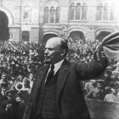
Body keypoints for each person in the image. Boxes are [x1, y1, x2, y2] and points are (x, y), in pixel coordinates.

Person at [23, 37, 108, 119]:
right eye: (45, 49)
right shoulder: (41, 71)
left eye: (50, 49)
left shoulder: (73, 68)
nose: (45, 52)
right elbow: (31, 99)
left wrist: (101, 58)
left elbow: (92, 69)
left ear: (62, 52)